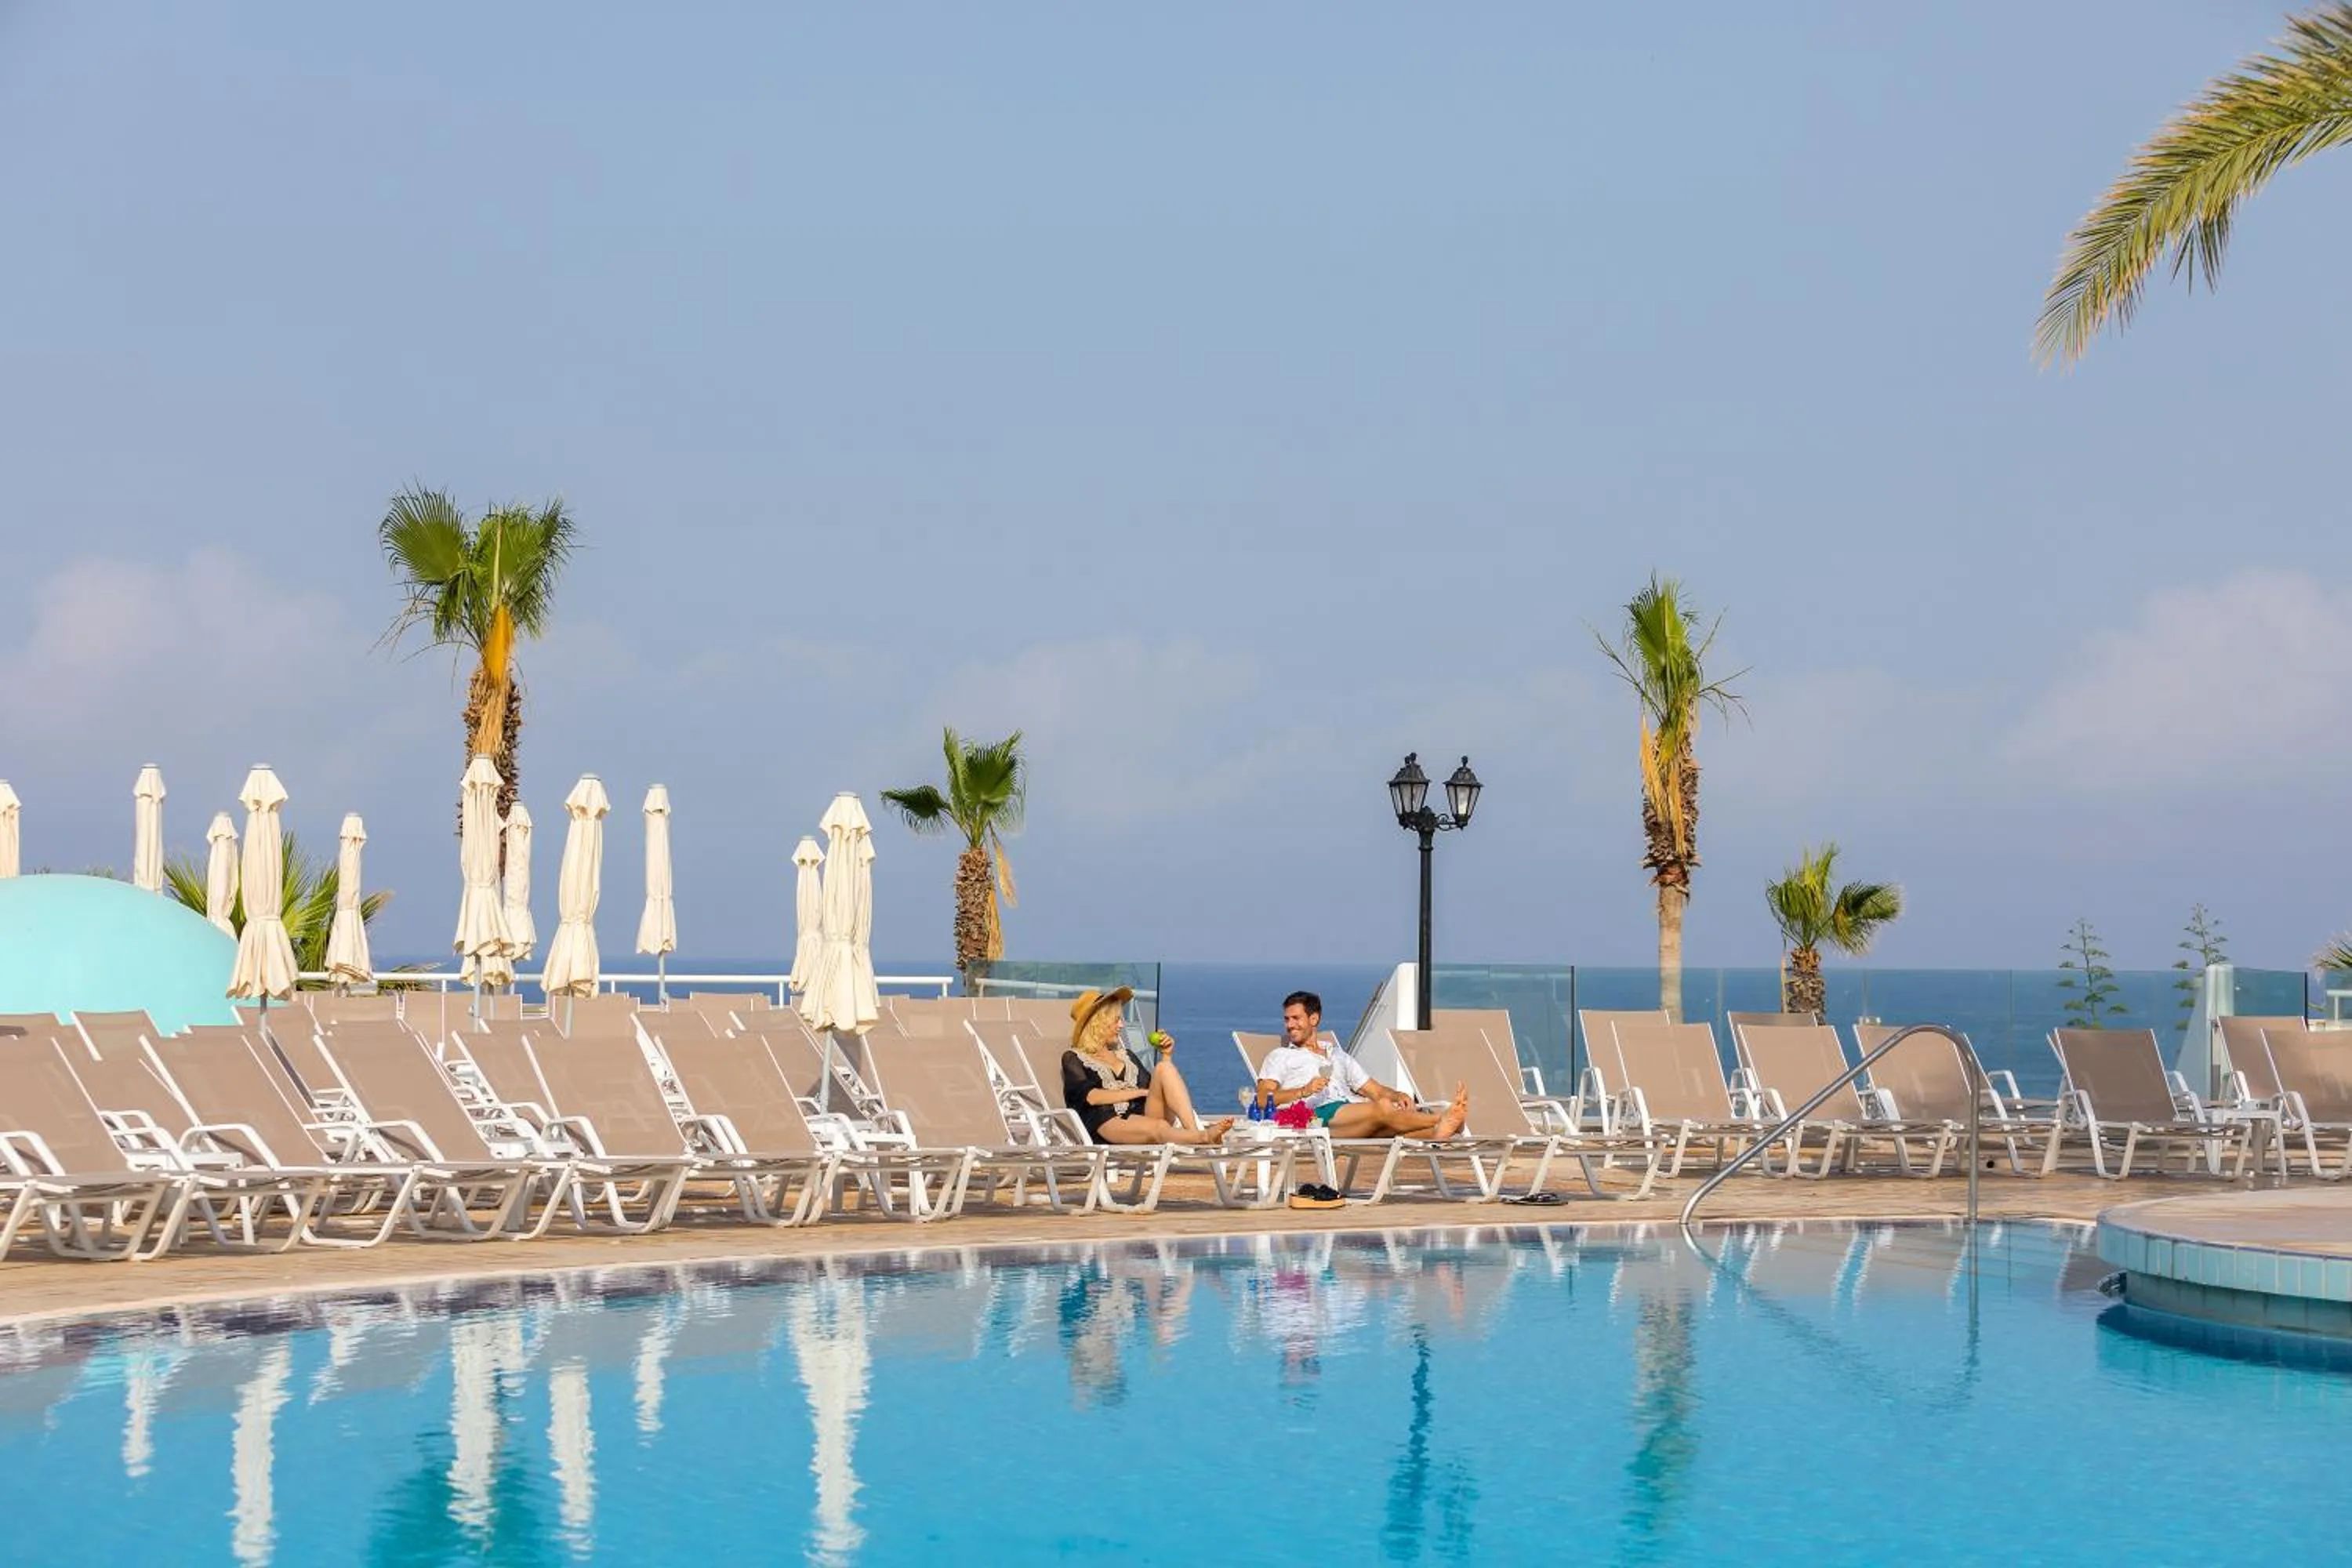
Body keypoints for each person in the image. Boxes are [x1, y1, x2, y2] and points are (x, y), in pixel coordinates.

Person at [1254, 990, 1468, 1139]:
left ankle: (1439, 1129)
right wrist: (1304, 1090)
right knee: (1383, 1108)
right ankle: (1443, 1120)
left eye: (1296, 1018)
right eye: (1286, 1019)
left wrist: (1398, 1096)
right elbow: (1262, 1099)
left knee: (1389, 1112)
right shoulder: (1280, 1056)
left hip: (1351, 1113)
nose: (1290, 1025)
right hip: (1317, 1118)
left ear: (1314, 1019)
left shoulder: (1338, 1055)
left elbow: (1374, 1090)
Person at [1062, 986, 1235, 1146]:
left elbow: (1157, 1092)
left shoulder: (1126, 1055)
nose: (1121, 1025)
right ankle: (1203, 1138)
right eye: (1116, 1020)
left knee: (1163, 1069)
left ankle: (1194, 1133)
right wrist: (1138, 1092)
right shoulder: (1074, 1058)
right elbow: (1092, 1097)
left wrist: (1166, 1055)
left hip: (1141, 1116)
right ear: (1097, 1024)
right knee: (1158, 1127)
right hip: (1106, 1122)